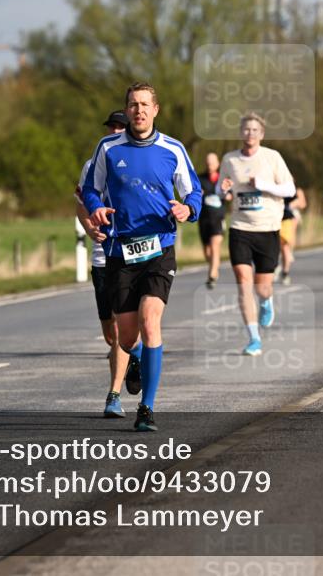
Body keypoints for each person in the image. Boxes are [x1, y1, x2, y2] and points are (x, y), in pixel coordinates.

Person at [83, 82, 202, 432]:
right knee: (125, 337)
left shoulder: (173, 149)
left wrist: (187, 209)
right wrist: (96, 208)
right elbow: (91, 188)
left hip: (159, 248)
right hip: (121, 249)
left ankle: (146, 408)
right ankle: (134, 358)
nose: (139, 110)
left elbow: (194, 190)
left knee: (152, 322)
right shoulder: (108, 147)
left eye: (145, 104)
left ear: (156, 110)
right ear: (127, 109)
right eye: (133, 104)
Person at [217, 113, 296, 355]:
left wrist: (263, 185)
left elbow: (289, 189)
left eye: (254, 130)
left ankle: (266, 300)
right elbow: (221, 193)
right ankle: (254, 338)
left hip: (268, 228)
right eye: (246, 129)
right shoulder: (230, 159)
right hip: (240, 228)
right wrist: (223, 190)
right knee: (243, 282)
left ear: (261, 134)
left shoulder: (272, 157)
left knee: (262, 287)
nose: (250, 133)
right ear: (241, 132)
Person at [75, 110, 136, 419]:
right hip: (101, 257)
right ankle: (132, 350)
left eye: (120, 126)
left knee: (121, 321)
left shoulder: (138, 160)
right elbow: (80, 202)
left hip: (129, 255)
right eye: (111, 125)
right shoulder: (93, 163)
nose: (114, 129)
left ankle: (113, 395)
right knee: (110, 334)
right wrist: (89, 228)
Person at [197, 152, 225, 289]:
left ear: (217, 164)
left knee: (215, 246)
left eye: (212, 163)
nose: (209, 166)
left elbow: (230, 193)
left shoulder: (222, 179)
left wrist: (228, 195)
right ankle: (214, 266)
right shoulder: (199, 179)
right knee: (207, 251)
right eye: (207, 163)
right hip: (204, 219)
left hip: (218, 218)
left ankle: (212, 275)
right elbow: (193, 193)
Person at [278, 187, 307, 285]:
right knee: (279, 247)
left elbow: (302, 203)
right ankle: (278, 266)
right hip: (272, 219)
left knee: (285, 245)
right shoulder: (269, 184)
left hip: (287, 218)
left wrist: (293, 204)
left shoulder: (294, 190)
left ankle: (285, 271)